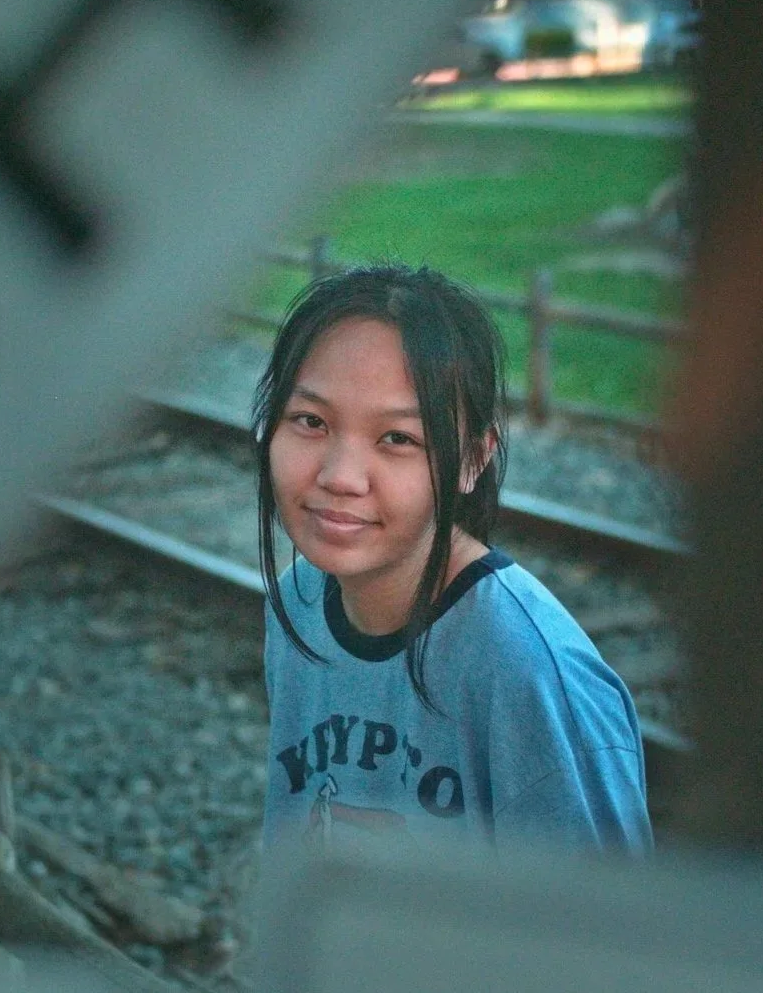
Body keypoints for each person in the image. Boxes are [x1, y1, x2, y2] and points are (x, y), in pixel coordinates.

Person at [253, 263, 652, 853]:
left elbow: (606, 936)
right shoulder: (299, 602)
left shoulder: (530, 673)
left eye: (398, 439)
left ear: (472, 460)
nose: (339, 477)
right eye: (310, 421)